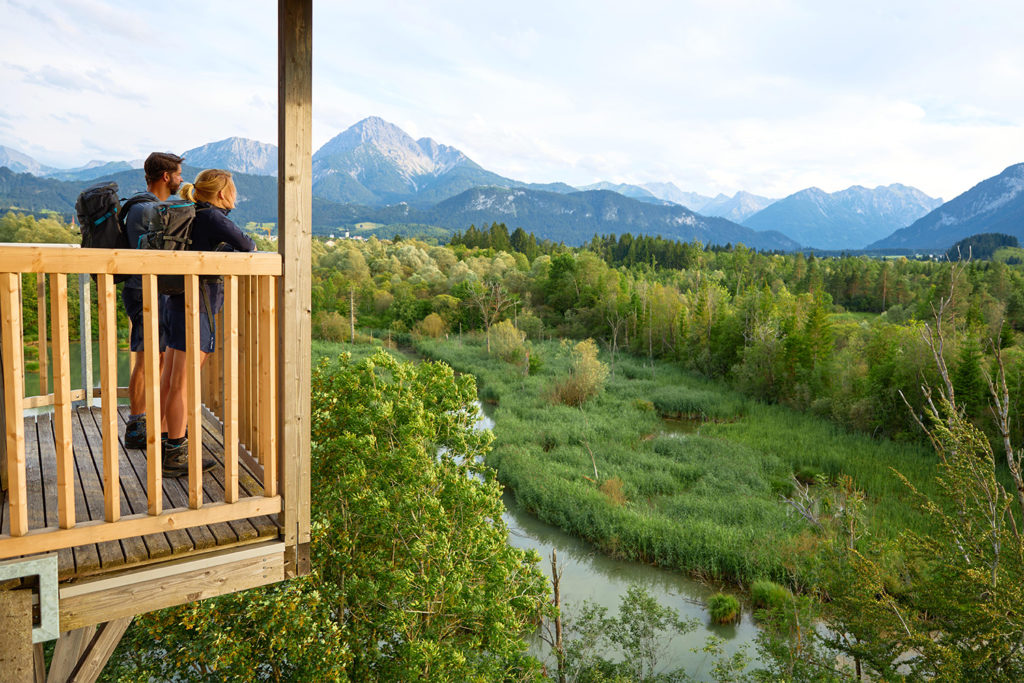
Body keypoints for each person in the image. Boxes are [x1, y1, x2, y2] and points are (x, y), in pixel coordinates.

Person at [162, 169, 255, 476]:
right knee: (183, 383)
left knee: (174, 378)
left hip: (178, 301)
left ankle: (167, 439)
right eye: (233, 190)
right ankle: (175, 454)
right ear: (221, 194)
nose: (236, 196)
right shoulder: (213, 217)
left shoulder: (193, 212)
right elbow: (248, 245)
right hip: (197, 306)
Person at [121, 152, 183, 451]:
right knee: (147, 358)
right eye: (178, 174)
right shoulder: (147, 209)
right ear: (166, 177)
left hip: (148, 289)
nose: (181, 179)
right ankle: (136, 426)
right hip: (143, 289)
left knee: (155, 357)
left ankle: (145, 421)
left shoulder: (145, 206)